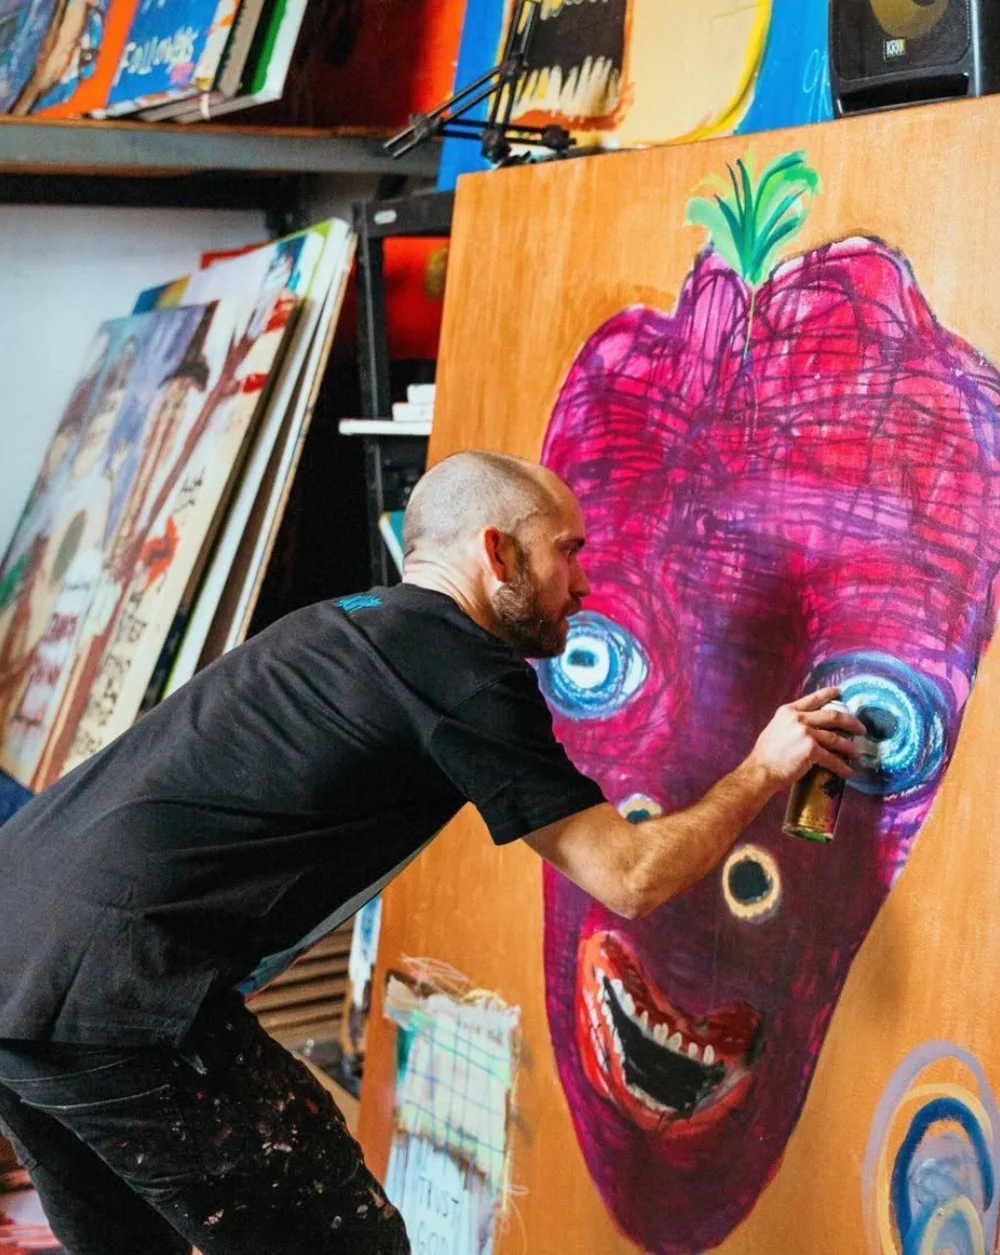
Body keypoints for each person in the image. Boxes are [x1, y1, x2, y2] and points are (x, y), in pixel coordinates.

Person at [0, 450, 863, 1255]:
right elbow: (628, 876)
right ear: (498, 552)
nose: (586, 582)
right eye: (568, 550)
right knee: (342, 1234)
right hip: (108, 991)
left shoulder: (348, 624)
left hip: (17, 949)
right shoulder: (462, 668)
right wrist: (762, 768)